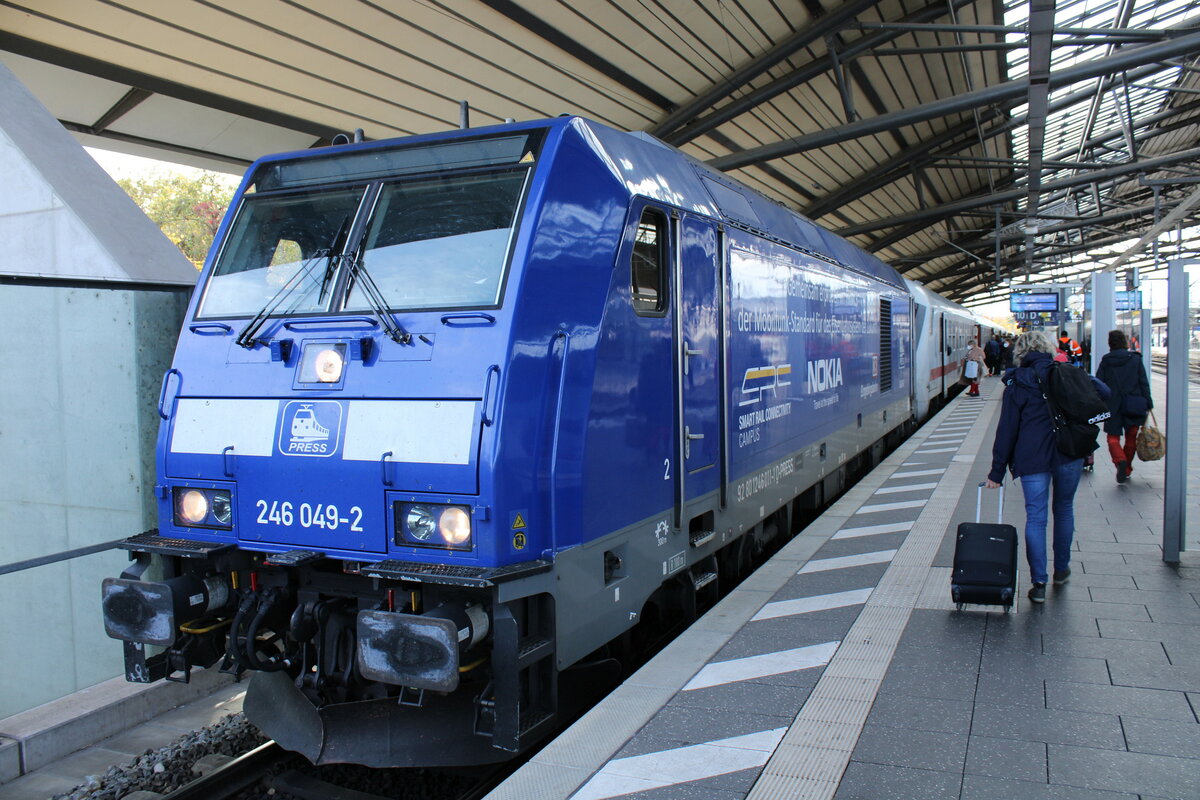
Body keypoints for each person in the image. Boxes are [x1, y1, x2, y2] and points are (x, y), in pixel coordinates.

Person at [984, 331, 1107, 604]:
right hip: (1068, 453)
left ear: (1020, 352)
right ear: (1049, 349)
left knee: (1036, 517)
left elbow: (1007, 430)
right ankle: (1061, 570)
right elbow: (1104, 392)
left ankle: (1038, 583)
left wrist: (996, 472)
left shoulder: (1017, 382)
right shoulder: (1065, 373)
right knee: (1063, 509)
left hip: (1032, 458)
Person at [1094, 329, 1152, 484]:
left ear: (1110, 343)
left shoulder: (1106, 360)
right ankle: (1126, 469)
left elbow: (1099, 383)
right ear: (1125, 342)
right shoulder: (1135, 359)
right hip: (1134, 403)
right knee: (1131, 437)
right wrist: (1149, 402)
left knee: (1113, 438)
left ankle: (1120, 461)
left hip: (1113, 405)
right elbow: (1143, 382)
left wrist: (1099, 401)